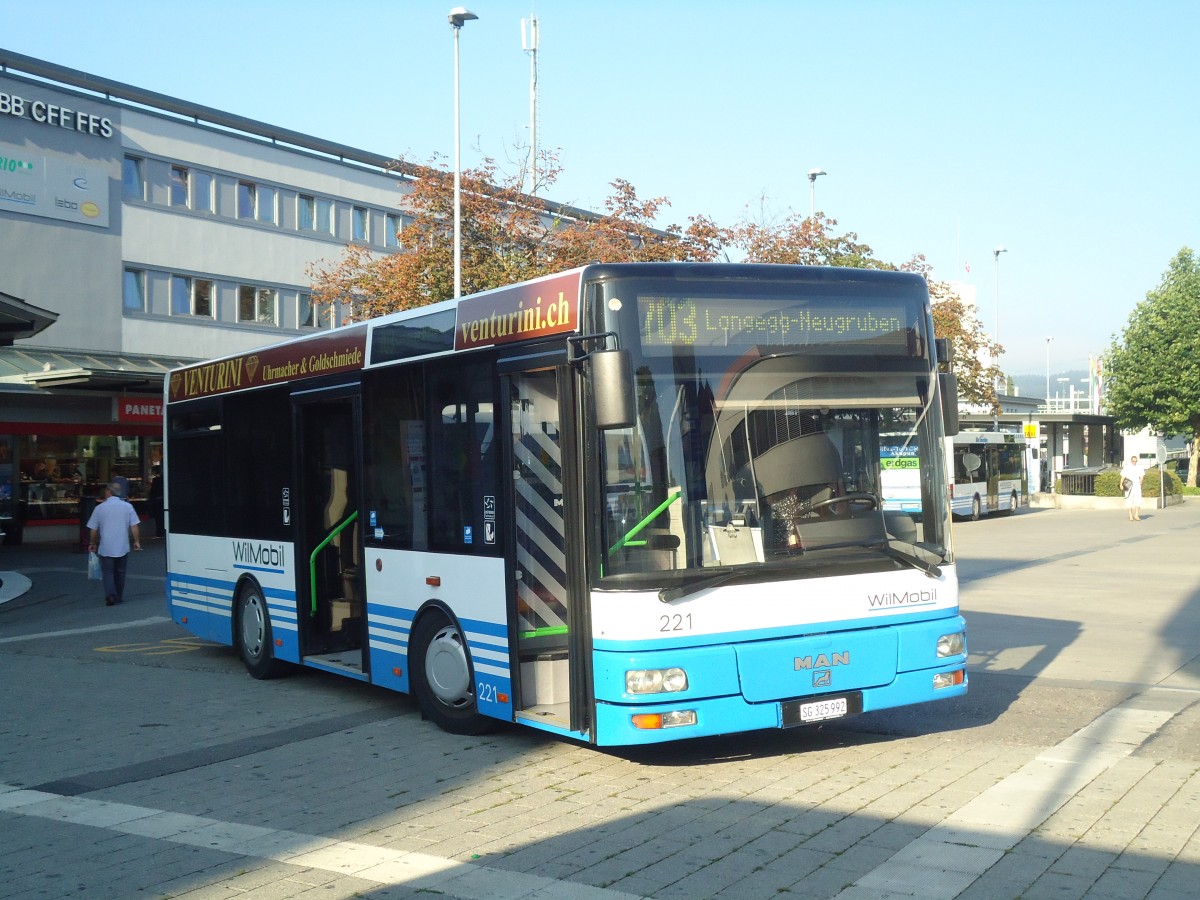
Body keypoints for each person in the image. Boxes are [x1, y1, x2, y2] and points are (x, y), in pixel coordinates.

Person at [87, 480, 142, 606]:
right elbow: (134, 526)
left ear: (109, 492)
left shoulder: (99, 508)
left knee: (108, 571)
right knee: (120, 571)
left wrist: (92, 542)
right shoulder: (127, 507)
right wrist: (137, 541)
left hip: (106, 546)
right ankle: (118, 595)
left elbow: (93, 529)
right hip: (122, 545)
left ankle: (110, 594)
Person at [1120, 455, 1143, 522]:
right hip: (1129, 486)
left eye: (1135, 461)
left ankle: (1136, 515)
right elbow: (1123, 477)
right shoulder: (1127, 467)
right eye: (1133, 461)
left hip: (1137, 486)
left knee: (1138, 500)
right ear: (1131, 461)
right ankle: (1130, 515)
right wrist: (1121, 484)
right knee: (1129, 500)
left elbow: (1142, 475)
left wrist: (1141, 480)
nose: (1134, 462)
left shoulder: (1139, 467)